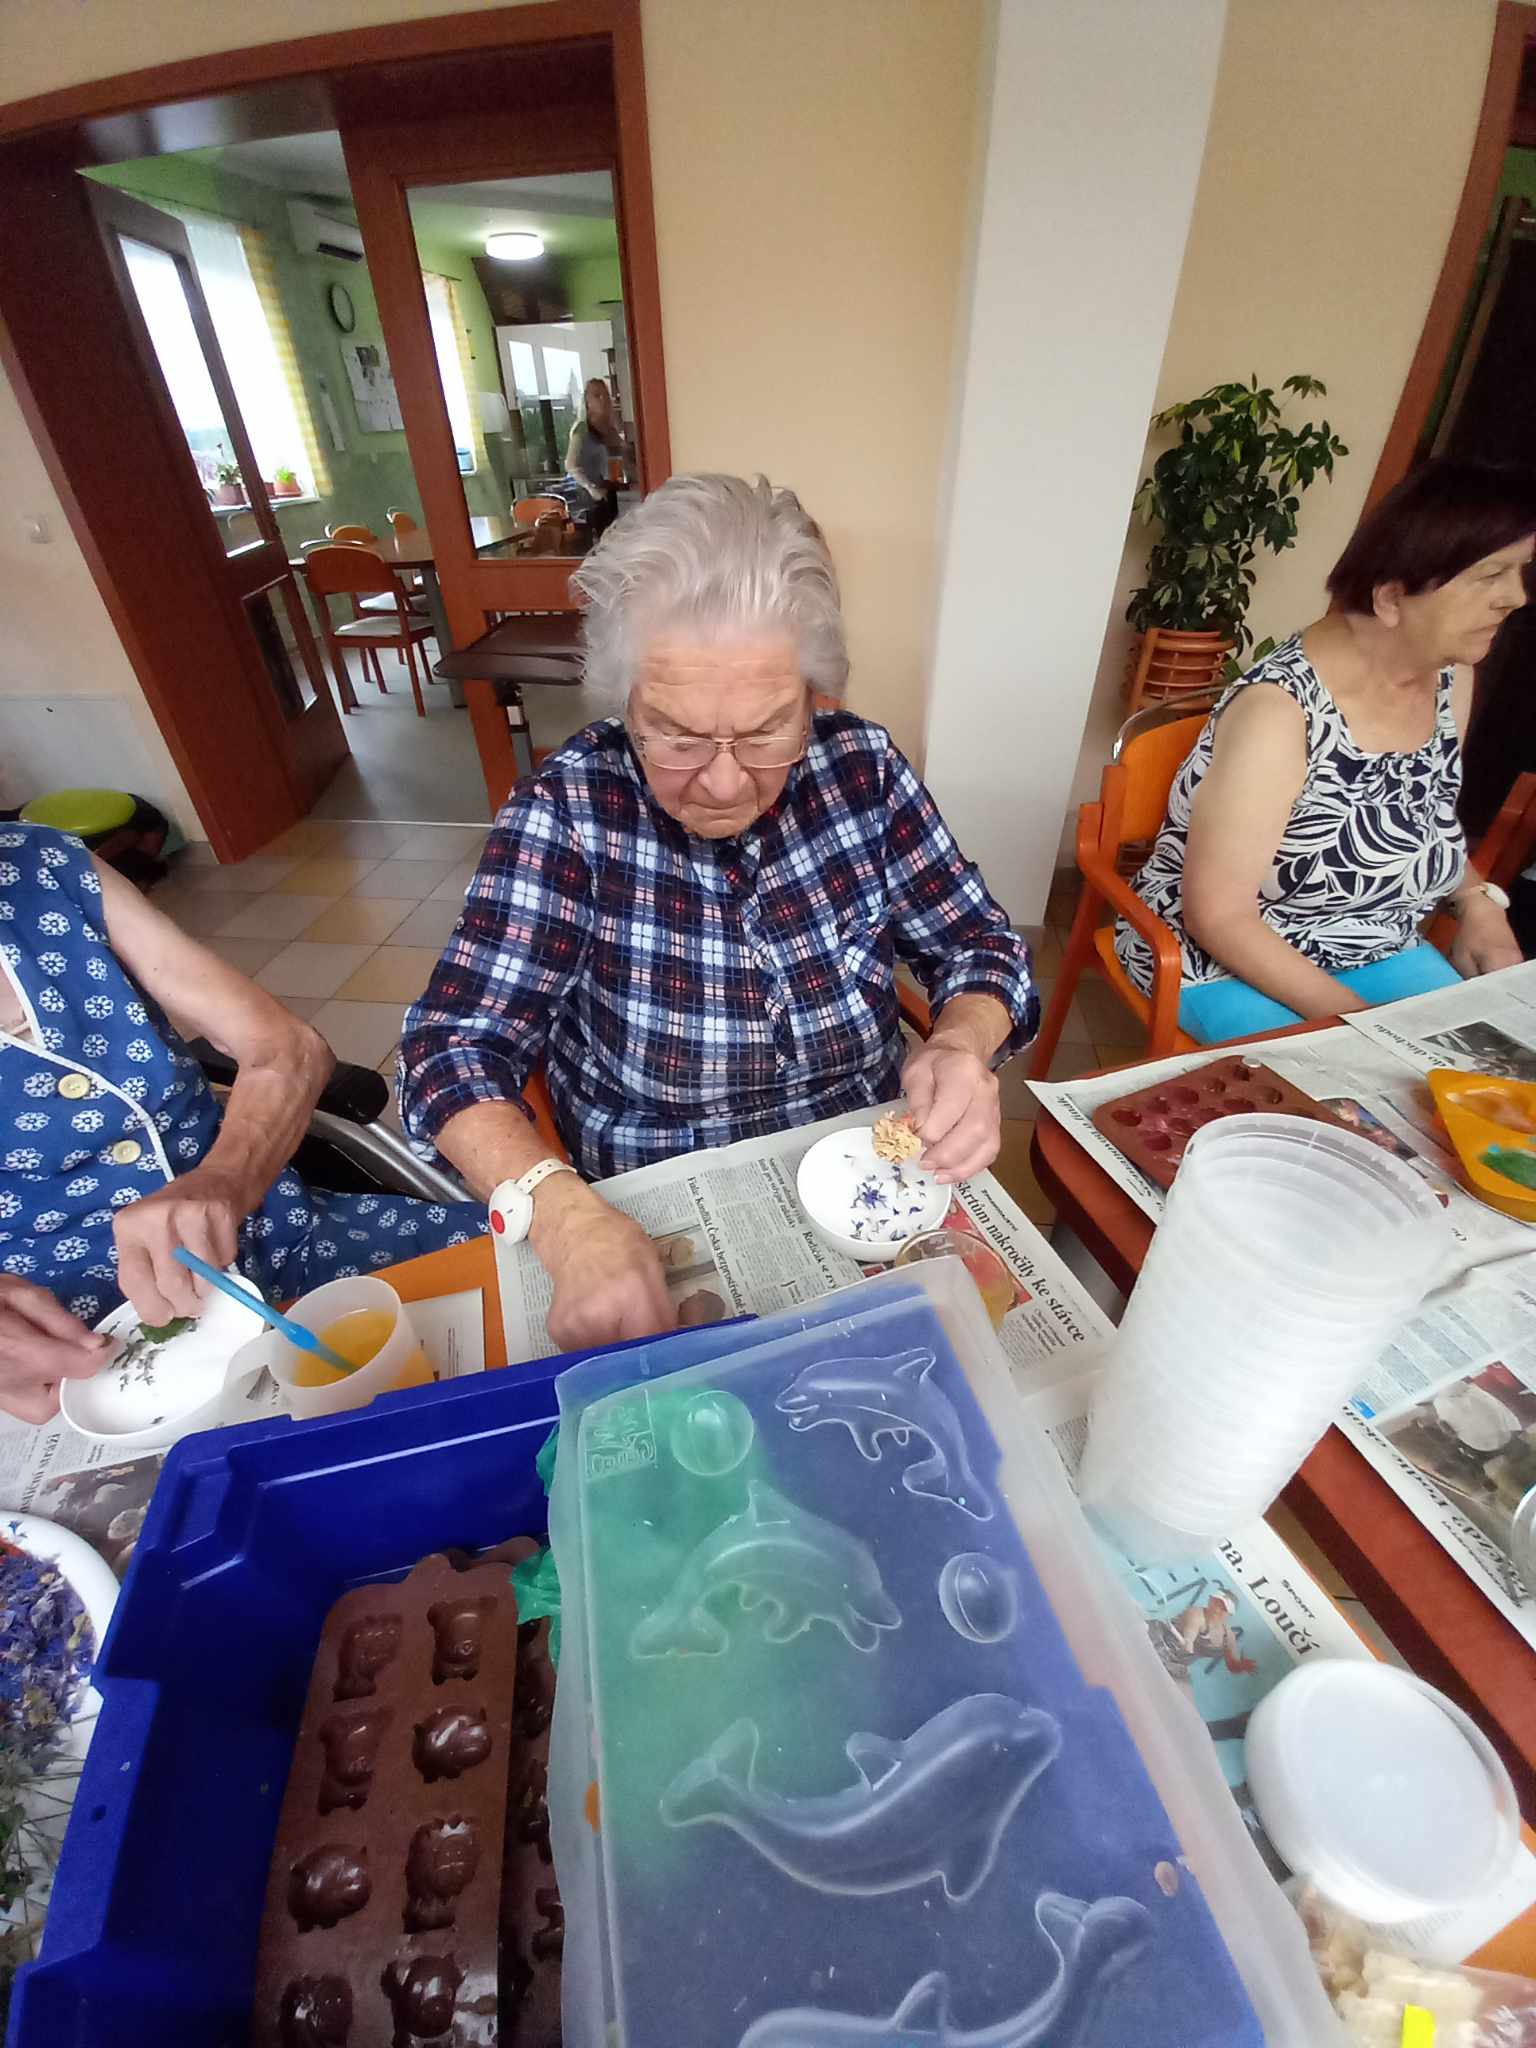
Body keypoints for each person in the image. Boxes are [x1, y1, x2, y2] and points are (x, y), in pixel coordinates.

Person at [401, 473, 1037, 1353]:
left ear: (814, 696)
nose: (728, 781)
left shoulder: (861, 770)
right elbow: (450, 1050)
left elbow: (978, 941)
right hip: (655, 1199)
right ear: (624, 701)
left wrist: (963, 1040)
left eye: (769, 730)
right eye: (679, 735)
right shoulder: (571, 810)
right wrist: (557, 1213)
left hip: (866, 1173)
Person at [0, 825, 485, 1424]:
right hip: (77, 1359)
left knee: (521, 1285)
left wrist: (227, 1179)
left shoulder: (41, 863)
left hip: (286, 1238)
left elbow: (289, 1046)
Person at [1116, 461, 1536, 1041]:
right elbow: (1219, 918)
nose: (1515, 597)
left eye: (1520, 570)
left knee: (1497, 1063)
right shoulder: (1279, 713)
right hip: (1221, 958)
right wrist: (1369, 1030)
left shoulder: (1449, 678)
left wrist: (1477, 901)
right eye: (1491, 574)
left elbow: (1426, 820)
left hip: (1378, 944)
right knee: (1356, 1089)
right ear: (1391, 598)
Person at [563, 377, 623, 542]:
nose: (602, 399)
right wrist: (590, 487)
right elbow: (570, 464)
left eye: (605, 395)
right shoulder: (582, 430)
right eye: (597, 395)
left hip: (609, 495)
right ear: (587, 402)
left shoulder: (610, 430)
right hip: (588, 500)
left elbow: (619, 460)